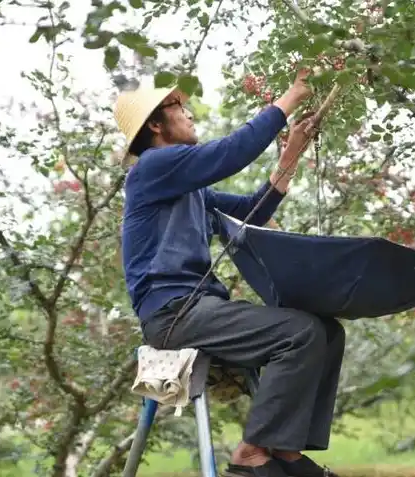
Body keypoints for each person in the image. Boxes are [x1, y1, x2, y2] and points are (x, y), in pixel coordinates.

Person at [114, 71, 345, 477]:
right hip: (173, 315)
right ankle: (252, 454)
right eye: (179, 108)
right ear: (155, 123)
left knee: (327, 331)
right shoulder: (152, 167)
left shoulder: (189, 188)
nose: (188, 114)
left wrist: (290, 153)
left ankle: (285, 451)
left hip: (197, 310)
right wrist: (291, 95)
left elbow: (255, 211)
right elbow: (231, 153)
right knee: (301, 332)